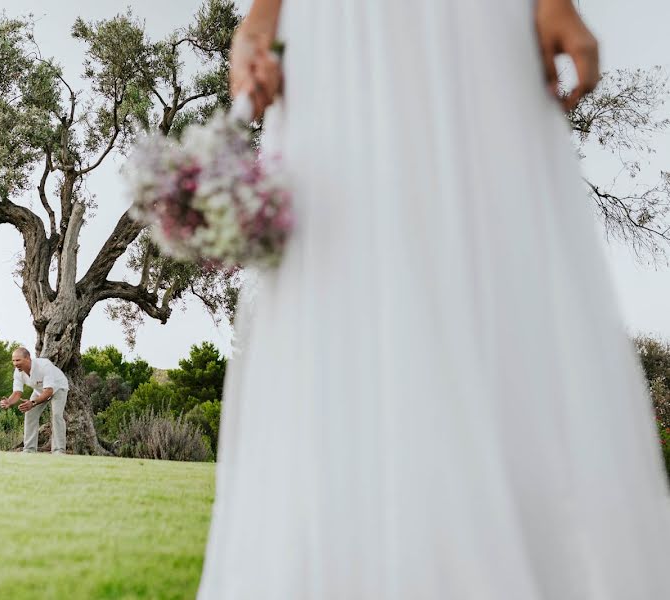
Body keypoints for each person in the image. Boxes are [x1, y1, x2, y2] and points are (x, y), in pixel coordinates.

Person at [198, 0, 670, 598]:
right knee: (337, 289)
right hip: (336, 37)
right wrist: (259, 23)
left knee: (491, 276)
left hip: (470, 29)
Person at [0, 347, 69, 454]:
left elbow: (49, 391)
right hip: (39, 390)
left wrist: (32, 403)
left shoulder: (44, 366)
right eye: (13, 360)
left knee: (56, 415)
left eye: (18, 360)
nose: (15, 363)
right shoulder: (18, 372)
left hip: (58, 388)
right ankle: (29, 449)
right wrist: (9, 402)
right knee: (30, 413)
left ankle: (59, 450)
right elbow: (17, 393)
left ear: (27, 358)